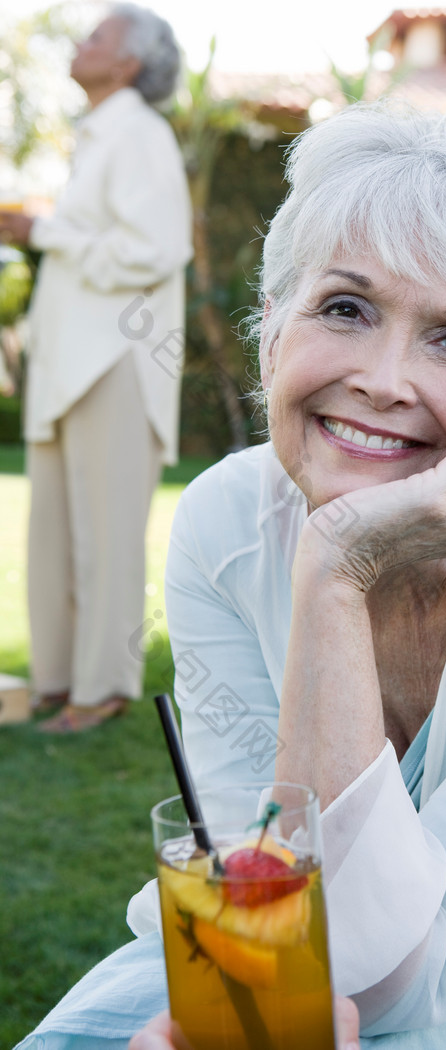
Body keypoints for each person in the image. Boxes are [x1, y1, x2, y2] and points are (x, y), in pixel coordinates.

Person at [15, 100, 446, 1048]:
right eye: (345, 308)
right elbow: (259, 898)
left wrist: (337, 569)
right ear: (272, 331)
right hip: (321, 952)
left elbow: (377, 988)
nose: (384, 379)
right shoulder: (225, 523)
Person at [0, 4, 192, 732]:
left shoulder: (140, 133)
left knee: (106, 536)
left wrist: (44, 230)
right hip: (68, 364)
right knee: (51, 529)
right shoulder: (99, 137)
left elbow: (157, 247)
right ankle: (54, 680)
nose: (83, 42)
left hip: (115, 362)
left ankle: (103, 687)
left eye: (98, 37)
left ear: (128, 64)